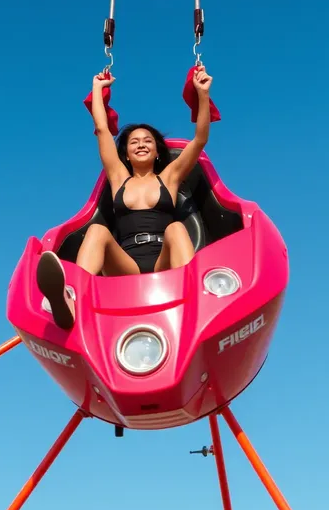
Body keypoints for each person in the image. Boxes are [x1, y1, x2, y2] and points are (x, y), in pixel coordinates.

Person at [36, 65, 212, 329]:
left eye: (148, 141)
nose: (141, 144)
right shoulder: (118, 178)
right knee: (97, 231)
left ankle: (196, 301)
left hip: (164, 262)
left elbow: (199, 138)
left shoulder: (170, 177)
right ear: (127, 154)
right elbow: (102, 128)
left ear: (157, 152)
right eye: (134, 142)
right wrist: (98, 89)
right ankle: (70, 299)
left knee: (176, 228)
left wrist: (201, 93)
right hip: (126, 265)